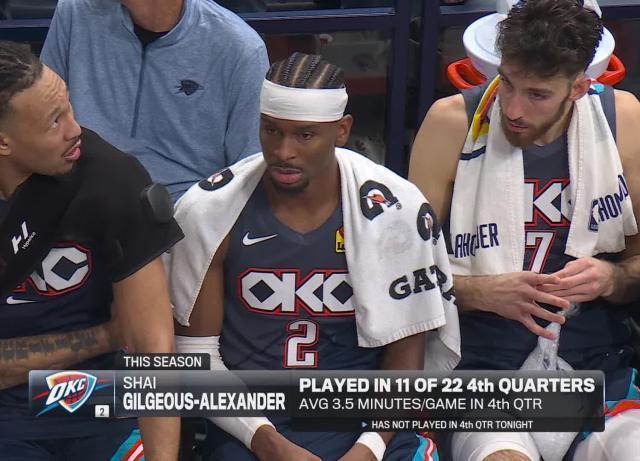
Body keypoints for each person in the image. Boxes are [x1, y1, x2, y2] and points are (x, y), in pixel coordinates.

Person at [167, 52, 459, 460]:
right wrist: (266, 442)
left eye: (304, 135)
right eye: (271, 130)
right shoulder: (209, 210)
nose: (283, 151)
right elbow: (196, 354)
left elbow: (406, 353)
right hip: (250, 423)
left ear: (342, 130)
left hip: (364, 419)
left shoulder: (397, 211)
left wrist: (369, 449)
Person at [409, 0, 640, 459]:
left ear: (580, 87)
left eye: (537, 95)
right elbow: (400, 279)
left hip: (598, 369)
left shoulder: (625, 120)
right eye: (507, 83)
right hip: (481, 372)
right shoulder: (449, 123)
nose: (513, 108)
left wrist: (613, 278)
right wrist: (478, 292)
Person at [0, 41, 183, 460]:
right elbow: (127, 332)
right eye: (54, 122)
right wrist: (105, 335)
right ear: (4, 143)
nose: (75, 129)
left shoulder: (113, 179)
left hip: (105, 404)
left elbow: (153, 348)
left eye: (69, 108)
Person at [41, 0, 269, 200]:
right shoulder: (73, 12)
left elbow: (247, 172)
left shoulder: (241, 49)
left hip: (185, 212)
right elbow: (40, 118)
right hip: (79, 200)